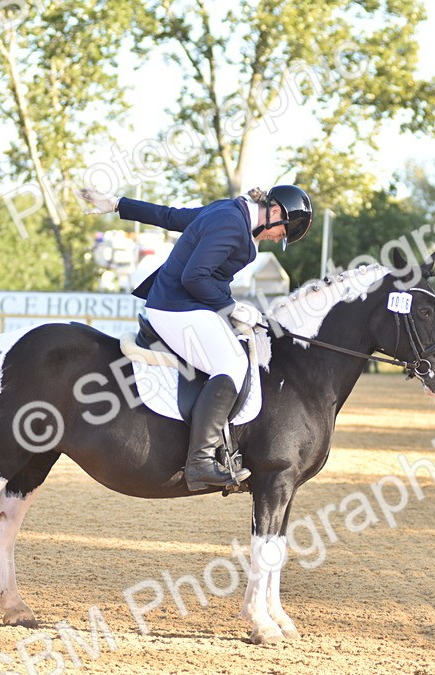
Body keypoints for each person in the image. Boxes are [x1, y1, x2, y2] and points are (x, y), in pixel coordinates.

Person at [77, 184, 313, 491]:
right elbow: (194, 276)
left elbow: (172, 217)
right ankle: (200, 462)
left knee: (243, 346)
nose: (279, 237)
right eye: (283, 232)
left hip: (192, 304)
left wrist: (118, 204)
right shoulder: (231, 222)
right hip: (177, 307)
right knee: (231, 364)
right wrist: (231, 308)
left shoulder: (230, 212)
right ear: (276, 212)